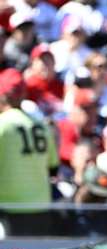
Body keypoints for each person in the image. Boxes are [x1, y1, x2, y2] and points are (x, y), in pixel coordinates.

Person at [0, 68, 59, 236]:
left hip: (9, 207)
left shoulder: (2, 124)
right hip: (40, 206)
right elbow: (53, 167)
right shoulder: (41, 124)